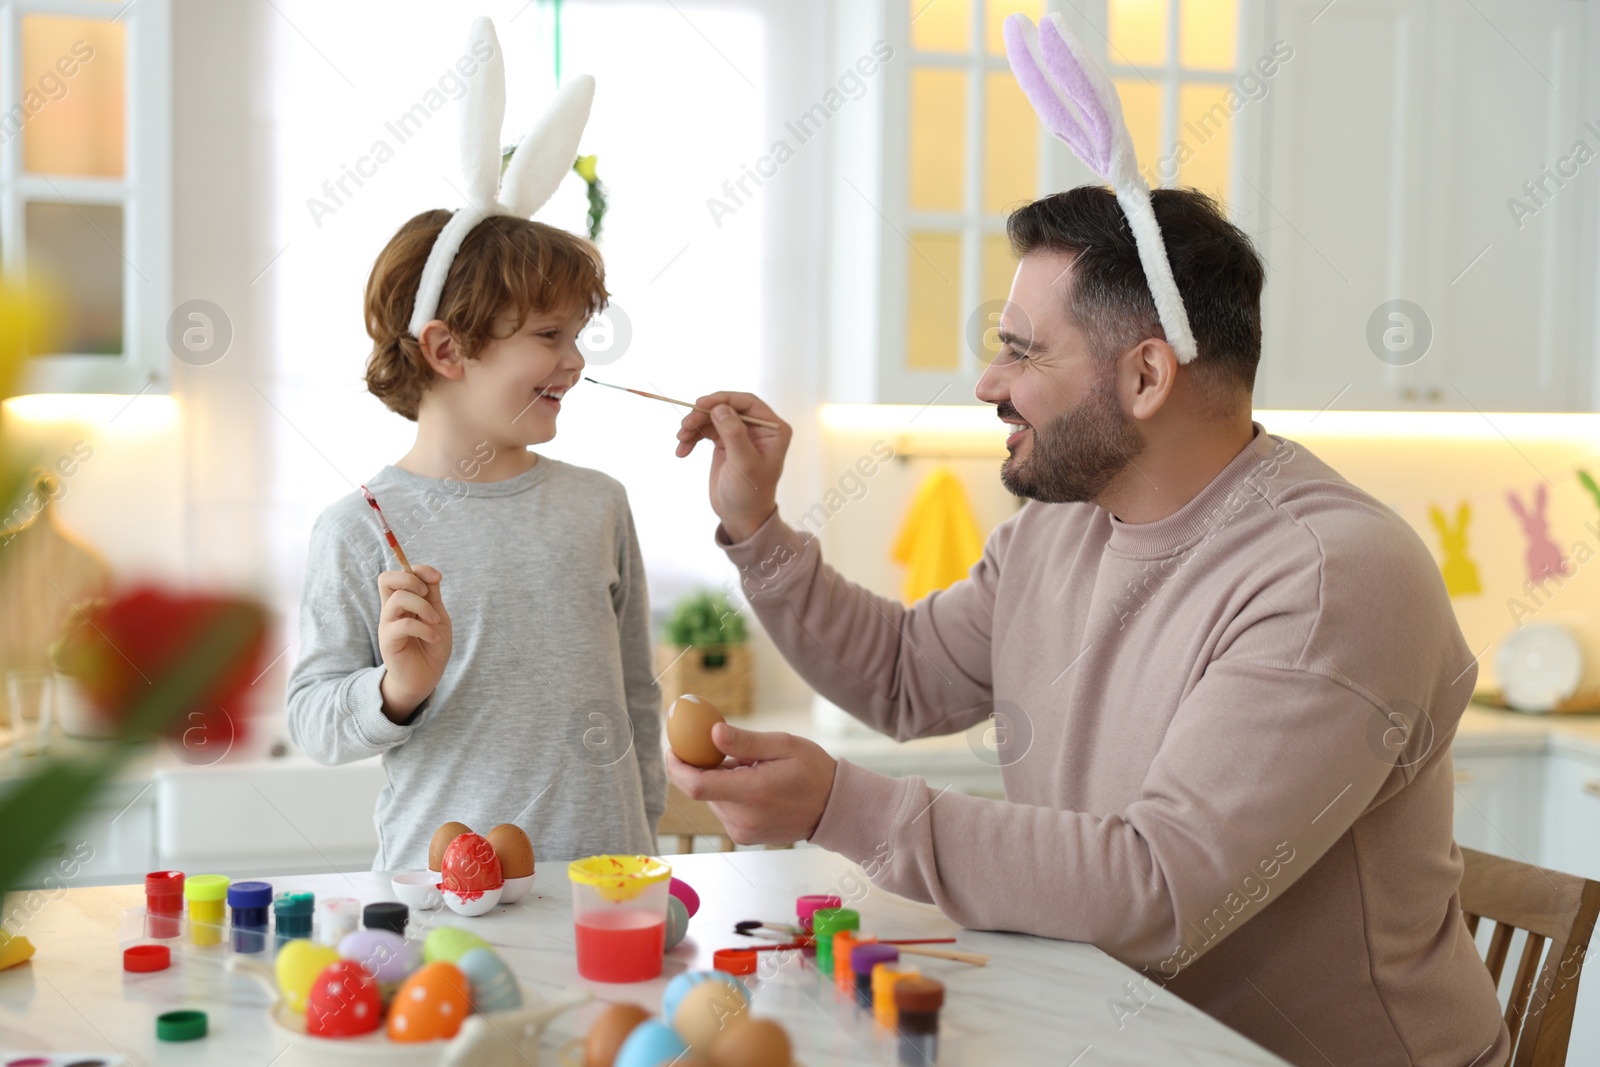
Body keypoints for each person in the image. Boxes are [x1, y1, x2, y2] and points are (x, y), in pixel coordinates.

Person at [667, 186, 1509, 1067]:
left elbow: (1161, 887)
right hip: (1115, 1031)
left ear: (1146, 377)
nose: (989, 384)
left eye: (1021, 352)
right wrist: (757, 527)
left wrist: (842, 806)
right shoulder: (1062, 524)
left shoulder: (1333, 575)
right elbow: (906, 675)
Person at [286, 208, 663, 871]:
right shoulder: (359, 526)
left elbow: (636, 696)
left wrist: (646, 845)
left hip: (607, 891)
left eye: (576, 335)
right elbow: (312, 719)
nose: (574, 361)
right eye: (550, 334)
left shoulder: (599, 504)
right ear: (446, 349)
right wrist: (395, 689)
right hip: (439, 904)